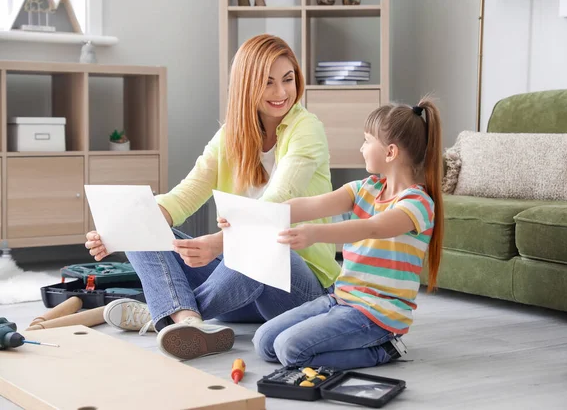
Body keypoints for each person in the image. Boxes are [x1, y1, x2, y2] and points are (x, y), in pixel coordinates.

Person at [84, 34, 341, 361]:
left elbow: (276, 205)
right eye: (268, 83)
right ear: (246, 86)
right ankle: (188, 320)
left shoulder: (307, 129)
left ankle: (163, 314)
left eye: (288, 80)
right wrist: (119, 232)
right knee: (141, 219)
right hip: (237, 291)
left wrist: (221, 243)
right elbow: (184, 196)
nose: (281, 93)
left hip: (299, 290)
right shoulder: (232, 135)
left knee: (263, 245)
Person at [226, 96, 445, 370]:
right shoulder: (366, 188)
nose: (362, 148)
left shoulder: (417, 204)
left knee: (289, 350)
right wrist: (250, 218)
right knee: (264, 341)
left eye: (367, 140)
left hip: (377, 315)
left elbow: (373, 227)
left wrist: (315, 233)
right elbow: (309, 205)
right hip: (341, 299)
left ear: (390, 152)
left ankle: (383, 350)